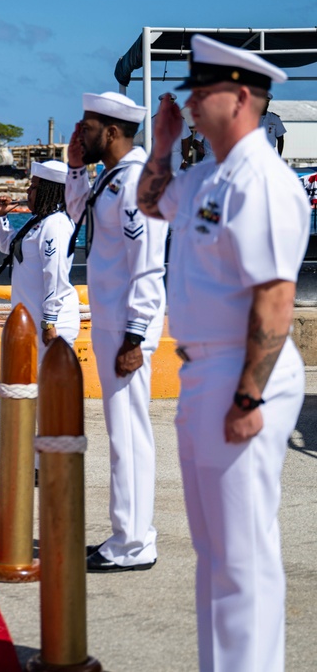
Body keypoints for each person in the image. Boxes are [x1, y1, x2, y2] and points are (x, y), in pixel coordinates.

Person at [136, 35, 307, 672]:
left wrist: (247, 395)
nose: (188, 100)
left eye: (199, 90)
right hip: (205, 369)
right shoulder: (208, 175)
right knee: (214, 550)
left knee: (243, 555)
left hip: (243, 371)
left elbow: (275, 295)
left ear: (239, 97)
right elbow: (151, 203)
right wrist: (160, 144)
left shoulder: (261, 180)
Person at [66, 91, 167, 573]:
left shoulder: (139, 182)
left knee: (128, 433)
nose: (79, 132)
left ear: (110, 132)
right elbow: (76, 216)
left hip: (127, 325)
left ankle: (133, 543)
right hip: (112, 320)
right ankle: (130, 533)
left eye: (86, 126)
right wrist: (74, 167)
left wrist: (135, 335)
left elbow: (149, 265)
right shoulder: (114, 177)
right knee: (122, 430)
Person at [0, 160, 80, 363]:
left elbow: (56, 275)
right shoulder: (39, 221)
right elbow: (9, 246)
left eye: (33, 187)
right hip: (32, 322)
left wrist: (49, 323)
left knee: (53, 390)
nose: (28, 192)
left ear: (48, 191)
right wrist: (1, 218)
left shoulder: (56, 225)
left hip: (52, 325)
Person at [260, 92, 286, 156]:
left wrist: (279, 156)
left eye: (267, 102)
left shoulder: (274, 118)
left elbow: (280, 139)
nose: (265, 105)